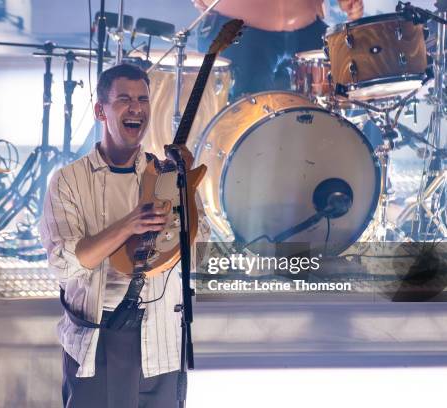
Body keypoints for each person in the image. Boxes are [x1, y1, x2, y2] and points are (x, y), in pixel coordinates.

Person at [39, 63, 210, 408]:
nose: (136, 108)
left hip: (161, 338)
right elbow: (64, 264)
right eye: (124, 99)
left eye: (143, 100)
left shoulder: (166, 175)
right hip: (98, 340)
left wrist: (185, 195)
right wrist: (129, 224)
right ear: (101, 110)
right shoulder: (69, 180)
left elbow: (200, 254)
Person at [195, 0, 364, 99]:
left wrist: (348, 3)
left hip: (308, 26)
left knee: (341, 99)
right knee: (246, 117)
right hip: (240, 28)